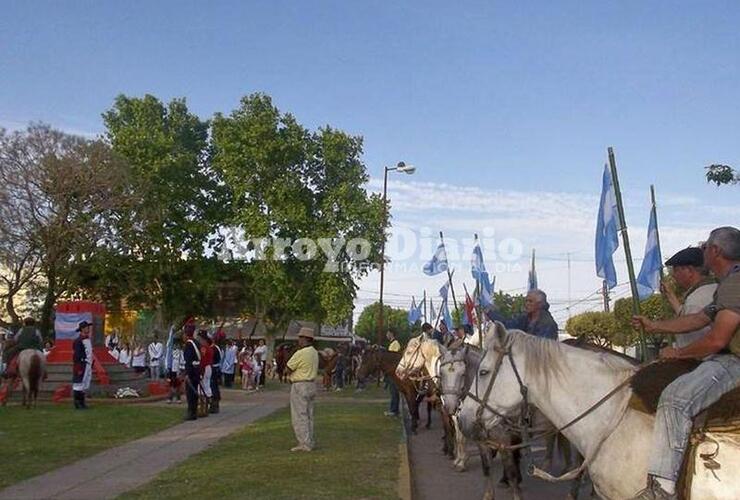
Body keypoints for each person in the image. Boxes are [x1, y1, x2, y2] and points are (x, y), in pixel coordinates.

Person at [631, 227, 740, 499]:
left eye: (705, 247)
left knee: (674, 399)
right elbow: (699, 319)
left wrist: (677, 354)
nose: (702, 250)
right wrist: (654, 325)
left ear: (715, 251)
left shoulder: (735, 283)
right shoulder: (727, 282)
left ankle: (662, 489)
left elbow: (716, 340)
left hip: (735, 361)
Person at [661, 247, 718, 349]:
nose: (673, 275)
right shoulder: (714, 289)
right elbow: (686, 314)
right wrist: (670, 295)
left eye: (676, 270)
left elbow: (690, 342)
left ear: (690, 271)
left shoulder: (696, 299)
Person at [285, 327, 319, 452]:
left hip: (300, 384)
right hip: (311, 384)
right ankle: (310, 440)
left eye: (300, 337)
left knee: (299, 415)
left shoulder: (300, 353)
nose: (298, 340)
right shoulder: (314, 352)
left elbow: (288, 368)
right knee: (309, 414)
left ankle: (304, 443)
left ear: (305, 339)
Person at [485, 288, 559, 340]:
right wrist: (491, 313)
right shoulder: (525, 318)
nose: (527, 304)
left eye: (530, 301)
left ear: (540, 304)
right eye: (526, 301)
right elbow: (508, 325)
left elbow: (541, 348)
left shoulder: (547, 324)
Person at [72, 321, 94, 409]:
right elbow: (77, 355)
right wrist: (80, 365)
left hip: (87, 364)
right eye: (86, 327)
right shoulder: (78, 341)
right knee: (79, 383)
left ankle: (82, 402)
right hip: (82, 364)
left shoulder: (87, 339)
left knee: (84, 384)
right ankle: (78, 403)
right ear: (82, 329)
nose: (88, 329)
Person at [182, 325, 201, 421]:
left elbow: (188, 361)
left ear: (186, 334)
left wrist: (187, 374)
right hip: (197, 370)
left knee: (190, 392)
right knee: (194, 391)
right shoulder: (196, 342)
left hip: (192, 371)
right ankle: (194, 411)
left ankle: (191, 412)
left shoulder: (189, 344)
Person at [384, 328, 401, 417]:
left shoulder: (395, 344)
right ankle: (393, 409)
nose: (386, 335)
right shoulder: (392, 344)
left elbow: (393, 357)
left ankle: (394, 410)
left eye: (388, 333)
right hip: (391, 371)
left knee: (394, 391)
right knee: (392, 391)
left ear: (391, 333)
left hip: (393, 371)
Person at [197, 330, 214, 409]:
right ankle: (209, 404)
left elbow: (203, 360)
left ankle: (204, 405)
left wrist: (201, 370)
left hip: (205, 367)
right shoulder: (209, 348)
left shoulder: (204, 348)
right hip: (209, 367)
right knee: (207, 386)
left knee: (203, 387)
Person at [166, 338, 184, 404]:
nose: (176, 346)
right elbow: (168, 362)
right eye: (175, 345)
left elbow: (182, 361)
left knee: (178, 385)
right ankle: (170, 398)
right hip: (172, 370)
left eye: (177, 345)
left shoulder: (181, 352)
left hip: (178, 370)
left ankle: (178, 398)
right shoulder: (170, 353)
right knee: (171, 385)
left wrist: (181, 371)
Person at [210, 332, 223, 414]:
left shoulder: (214, 348)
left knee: (213, 387)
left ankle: (214, 405)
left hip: (214, 369)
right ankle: (215, 404)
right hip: (216, 368)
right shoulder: (218, 348)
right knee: (214, 387)